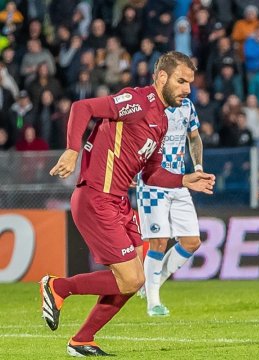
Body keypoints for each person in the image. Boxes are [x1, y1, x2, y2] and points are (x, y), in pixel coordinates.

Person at [40, 51, 215, 357]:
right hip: (96, 197)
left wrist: (185, 179)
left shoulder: (160, 121)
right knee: (130, 277)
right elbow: (83, 107)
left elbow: (153, 173)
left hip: (119, 202)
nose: (188, 89)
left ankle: (82, 340)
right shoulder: (137, 101)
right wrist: (72, 150)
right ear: (162, 77)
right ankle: (59, 287)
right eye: (181, 80)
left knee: (133, 280)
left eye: (190, 82)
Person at [137, 97, 204, 317]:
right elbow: (133, 141)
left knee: (192, 241)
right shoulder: (147, 106)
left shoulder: (187, 106)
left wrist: (199, 167)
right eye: (182, 81)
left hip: (179, 180)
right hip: (152, 180)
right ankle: (153, 302)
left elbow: (194, 138)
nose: (186, 88)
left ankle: (151, 285)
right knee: (158, 241)